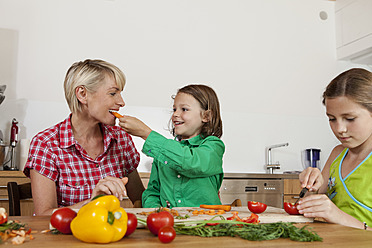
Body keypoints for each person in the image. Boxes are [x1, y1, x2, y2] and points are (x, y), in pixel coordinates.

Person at [24, 59, 144, 215]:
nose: (121, 102)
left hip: (111, 235)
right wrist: (92, 202)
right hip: (65, 238)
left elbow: (140, 200)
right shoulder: (46, 144)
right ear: (82, 94)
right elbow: (43, 215)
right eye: (113, 93)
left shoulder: (121, 139)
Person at [118, 84, 225, 208]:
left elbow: (191, 162)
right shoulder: (163, 153)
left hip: (206, 222)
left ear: (206, 116)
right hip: (170, 224)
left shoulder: (214, 146)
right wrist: (157, 211)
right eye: (174, 109)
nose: (175, 114)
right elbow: (152, 193)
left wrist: (146, 133)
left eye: (184, 109)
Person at [298, 68, 372, 230]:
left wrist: (339, 217)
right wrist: (310, 187)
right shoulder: (338, 153)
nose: (339, 129)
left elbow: (335, 214)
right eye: (332, 119)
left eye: (350, 119)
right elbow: (311, 203)